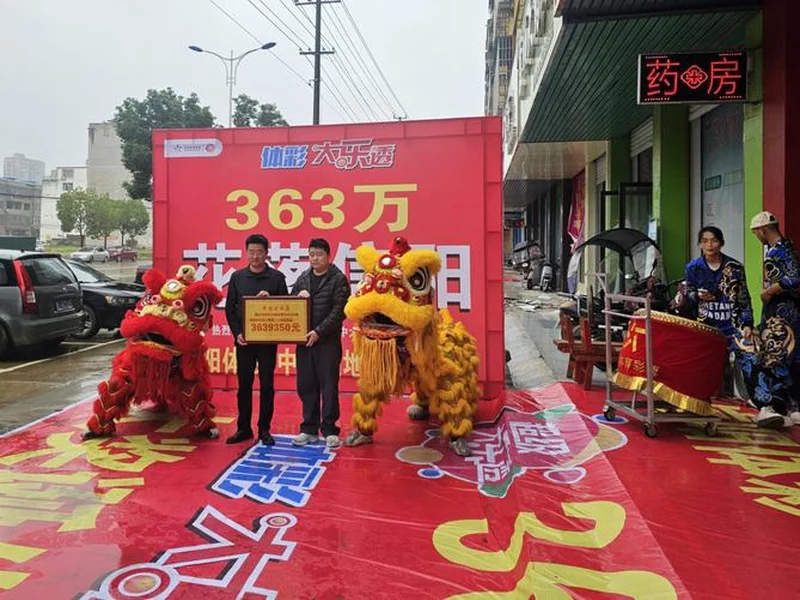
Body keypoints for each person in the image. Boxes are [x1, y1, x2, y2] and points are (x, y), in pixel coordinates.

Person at [224, 234, 288, 445]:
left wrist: (271, 302)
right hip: (245, 342)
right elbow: (230, 309)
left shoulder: (276, 278)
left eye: (259, 252)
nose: (255, 256)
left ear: (266, 253)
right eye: (251, 252)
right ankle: (243, 428)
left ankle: (264, 429)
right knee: (244, 386)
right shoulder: (238, 277)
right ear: (246, 252)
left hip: (267, 342)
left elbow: (287, 309)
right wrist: (238, 333)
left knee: (267, 385)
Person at [290, 238, 350, 449]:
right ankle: (309, 429)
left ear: (328, 256)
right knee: (306, 385)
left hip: (327, 342)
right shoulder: (303, 277)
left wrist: (319, 331)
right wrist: (298, 296)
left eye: (319, 255)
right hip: (304, 341)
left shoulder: (338, 279)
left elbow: (339, 311)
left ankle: (330, 430)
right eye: (311, 255)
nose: (314, 259)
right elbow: (290, 304)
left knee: (328, 386)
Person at [743, 211, 800, 428]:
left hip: (782, 315)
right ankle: (790, 408)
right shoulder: (782, 248)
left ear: (763, 230)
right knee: (788, 359)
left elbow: (794, 277)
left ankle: (776, 410)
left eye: (756, 233)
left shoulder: (781, 250)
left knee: (774, 358)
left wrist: (770, 292)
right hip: (783, 313)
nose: (757, 237)